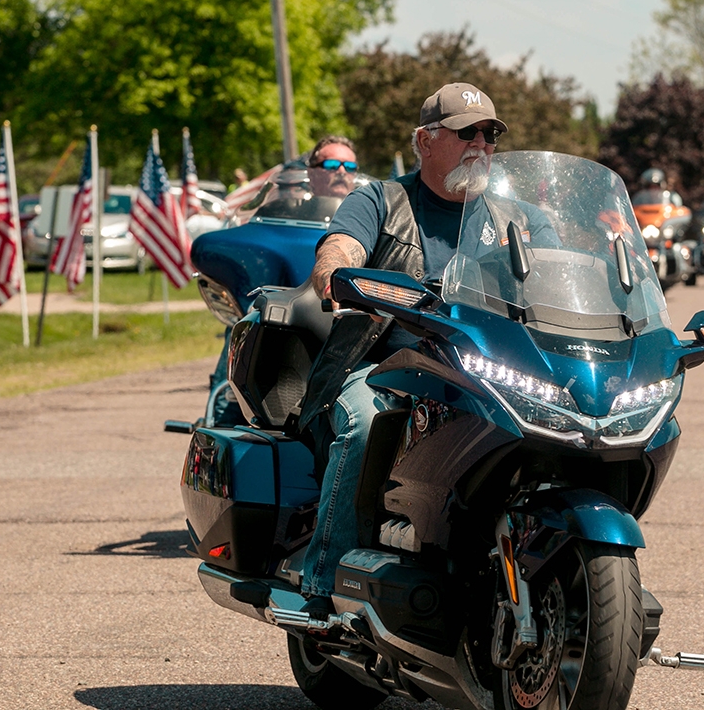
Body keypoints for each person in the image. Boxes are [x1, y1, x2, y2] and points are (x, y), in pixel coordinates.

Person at [298, 82, 555, 611]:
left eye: (489, 134)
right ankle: (323, 591)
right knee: (367, 425)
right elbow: (339, 249)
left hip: (485, 373)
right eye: (466, 133)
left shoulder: (518, 220)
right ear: (425, 142)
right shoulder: (381, 201)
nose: (480, 144)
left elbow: (565, 270)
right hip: (383, 368)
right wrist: (334, 278)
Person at [204, 135, 361, 425]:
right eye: (331, 163)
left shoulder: (368, 219)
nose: (341, 171)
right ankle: (221, 422)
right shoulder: (287, 209)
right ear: (311, 171)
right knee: (246, 323)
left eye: (349, 166)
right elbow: (250, 234)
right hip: (282, 319)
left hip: (340, 327)